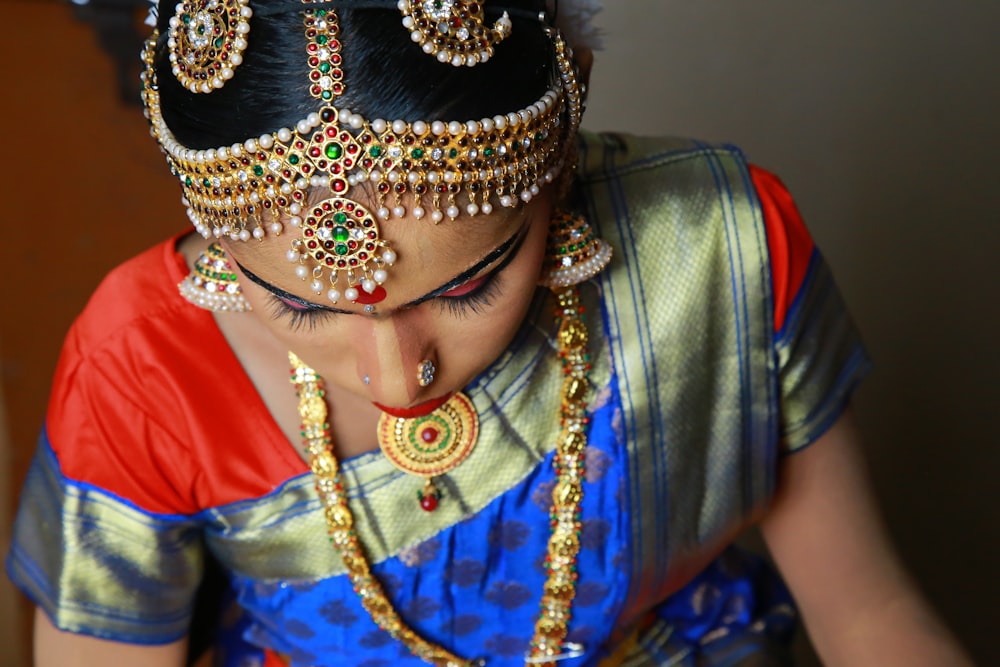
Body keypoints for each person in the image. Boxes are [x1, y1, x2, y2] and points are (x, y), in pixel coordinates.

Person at [6, 1, 973, 665]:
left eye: (469, 285)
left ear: (557, 154)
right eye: (301, 306)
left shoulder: (715, 251)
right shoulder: (145, 361)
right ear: (217, 237)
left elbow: (871, 614)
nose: (396, 374)